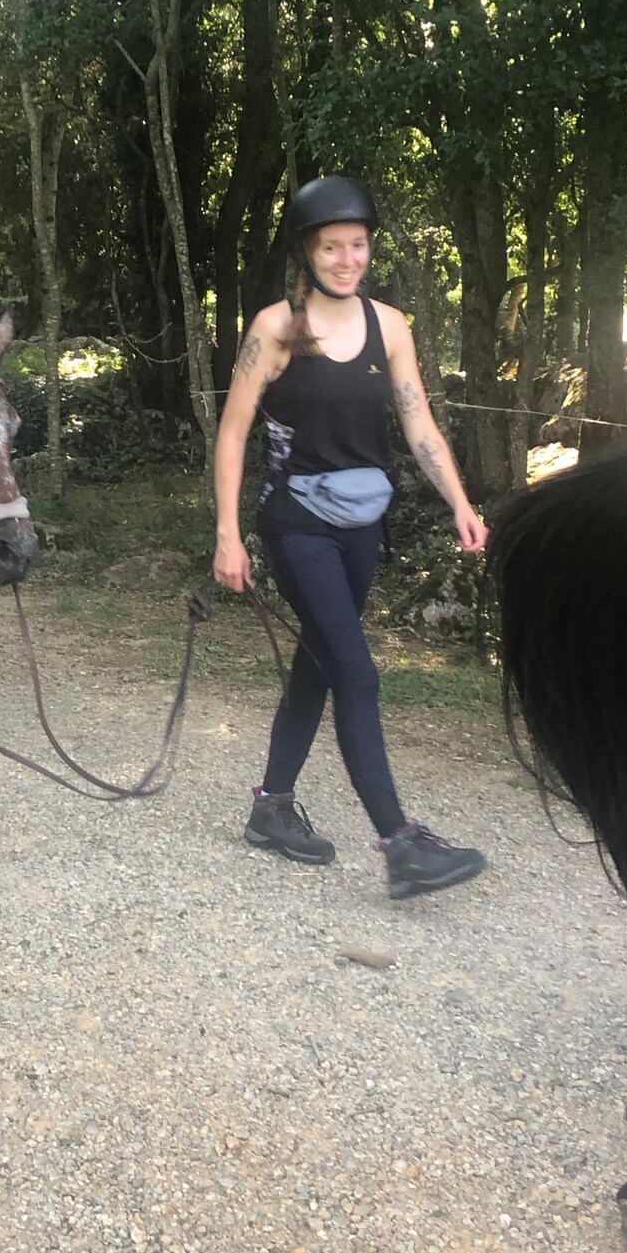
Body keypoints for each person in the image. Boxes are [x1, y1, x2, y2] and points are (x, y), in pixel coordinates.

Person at [212, 175, 488, 900]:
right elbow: (234, 433)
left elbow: (418, 422)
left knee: (319, 662)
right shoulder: (275, 329)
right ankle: (401, 845)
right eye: (331, 246)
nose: (346, 258)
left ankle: (271, 808)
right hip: (296, 521)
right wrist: (228, 534)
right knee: (357, 673)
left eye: (357, 245)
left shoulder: (391, 325)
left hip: (365, 523)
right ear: (307, 251)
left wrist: (459, 499)